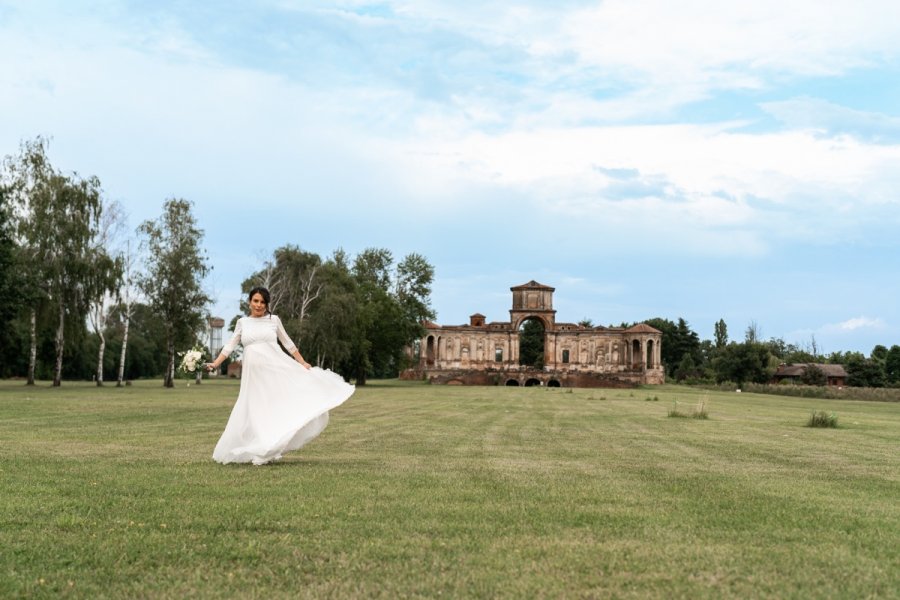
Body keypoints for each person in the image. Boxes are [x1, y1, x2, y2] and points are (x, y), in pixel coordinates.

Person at [205, 286, 355, 465]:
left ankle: (269, 447)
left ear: (267, 304)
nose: (259, 305)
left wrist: (302, 362)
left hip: (275, 370)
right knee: (254, 409)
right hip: (253, 376)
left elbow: (288, 344)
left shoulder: (273, 320)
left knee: (274, 406)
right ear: (250, 302)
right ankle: (263, 446)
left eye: (263, 302)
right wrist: (215, 363)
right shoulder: (242, 323)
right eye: (256, 301)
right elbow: (229, 346)